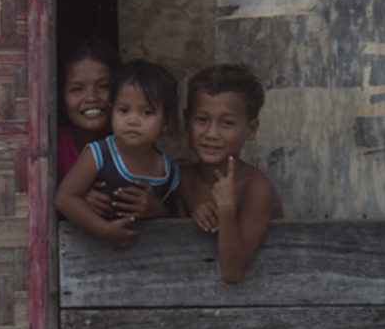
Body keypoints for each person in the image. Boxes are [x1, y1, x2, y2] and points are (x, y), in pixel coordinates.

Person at [55, 59, 181, 250]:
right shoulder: (99, 153)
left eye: (146, 112)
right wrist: (104, 230)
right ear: (112, 110)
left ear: (166, 122)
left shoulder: (168, 170)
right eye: (124, 110)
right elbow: (64, 199)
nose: (133, 120)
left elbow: (180, 220)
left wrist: (159, 210)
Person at [176, 64, 283, 284]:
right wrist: (196, 212)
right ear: (186, 121)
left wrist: (226, 210)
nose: (212, 134)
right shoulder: (181, 179)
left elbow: (233, 274)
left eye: (227, 123)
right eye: (202, 120)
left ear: (251, 129)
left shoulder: (256, 188)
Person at [57, 38, 121, 218]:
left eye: (103, 86)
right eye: (77, 89)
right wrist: (76, 202)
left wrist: (154, 208)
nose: (92, 97)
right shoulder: (51, 148)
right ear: (61, 101)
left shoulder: (135, 141)